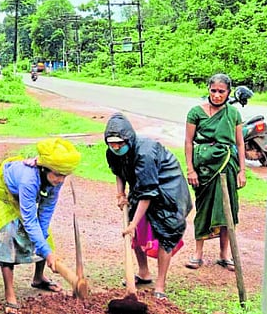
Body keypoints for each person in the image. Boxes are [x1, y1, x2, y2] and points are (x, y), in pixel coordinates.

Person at [0, 138, 81, 314]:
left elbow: (46, 211)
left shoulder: (56, 179)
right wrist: (47, 252)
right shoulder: (29, 180)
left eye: (64, 176)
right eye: (58, 175)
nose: (60, 180)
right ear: (44, 169)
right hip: (0, 194)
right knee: (8, 234)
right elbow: (29, 220)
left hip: (20, 196)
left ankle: (38, 278)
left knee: (45, 235)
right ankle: (10, 294)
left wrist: (45, 247)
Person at [105, 113, 192, 300]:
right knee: (135, 234)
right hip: (143, 185)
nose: (116, 147)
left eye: (119, 143)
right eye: (112, 143)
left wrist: (132, 224)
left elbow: (147, 195)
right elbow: (118, 172)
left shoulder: (144, 153)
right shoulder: (112, 152)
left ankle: (160, 284)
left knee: (165, 233)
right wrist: (120, 193)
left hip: (168, 188)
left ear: (129, 138)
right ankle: (144, 273)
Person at [184, 73, 246, 270]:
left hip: (227, 164)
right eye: (214, 91)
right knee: (203, 208)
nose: (217, 95)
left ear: (228, 93)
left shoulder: (233, 114)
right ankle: (198, 254)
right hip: (203, 167)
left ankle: (224, 255)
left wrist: (242, 171)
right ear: (208, 90)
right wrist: (190, 169)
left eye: (222, 91)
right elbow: (188, 142)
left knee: (227, 209)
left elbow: (239, 143)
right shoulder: (195, 112)